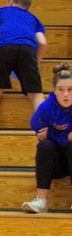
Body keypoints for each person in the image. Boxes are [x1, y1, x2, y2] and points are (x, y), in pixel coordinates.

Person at [0, 0, 47, 132]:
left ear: (9, 1)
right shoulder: (34, 19)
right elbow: (42, 42)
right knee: (36, 94)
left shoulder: (1, 11)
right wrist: (36, 62)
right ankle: (45, 131)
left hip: (3, 48)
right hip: (27, 50)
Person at [21, 62, 72, 213]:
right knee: (44, 146)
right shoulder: (46, 108)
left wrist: (51, 133)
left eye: (70, 89)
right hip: (56, 165)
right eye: (61, 89)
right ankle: (41, 201)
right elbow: (40, 133)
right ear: (54, 91)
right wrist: (61, 136)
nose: (65, 94)